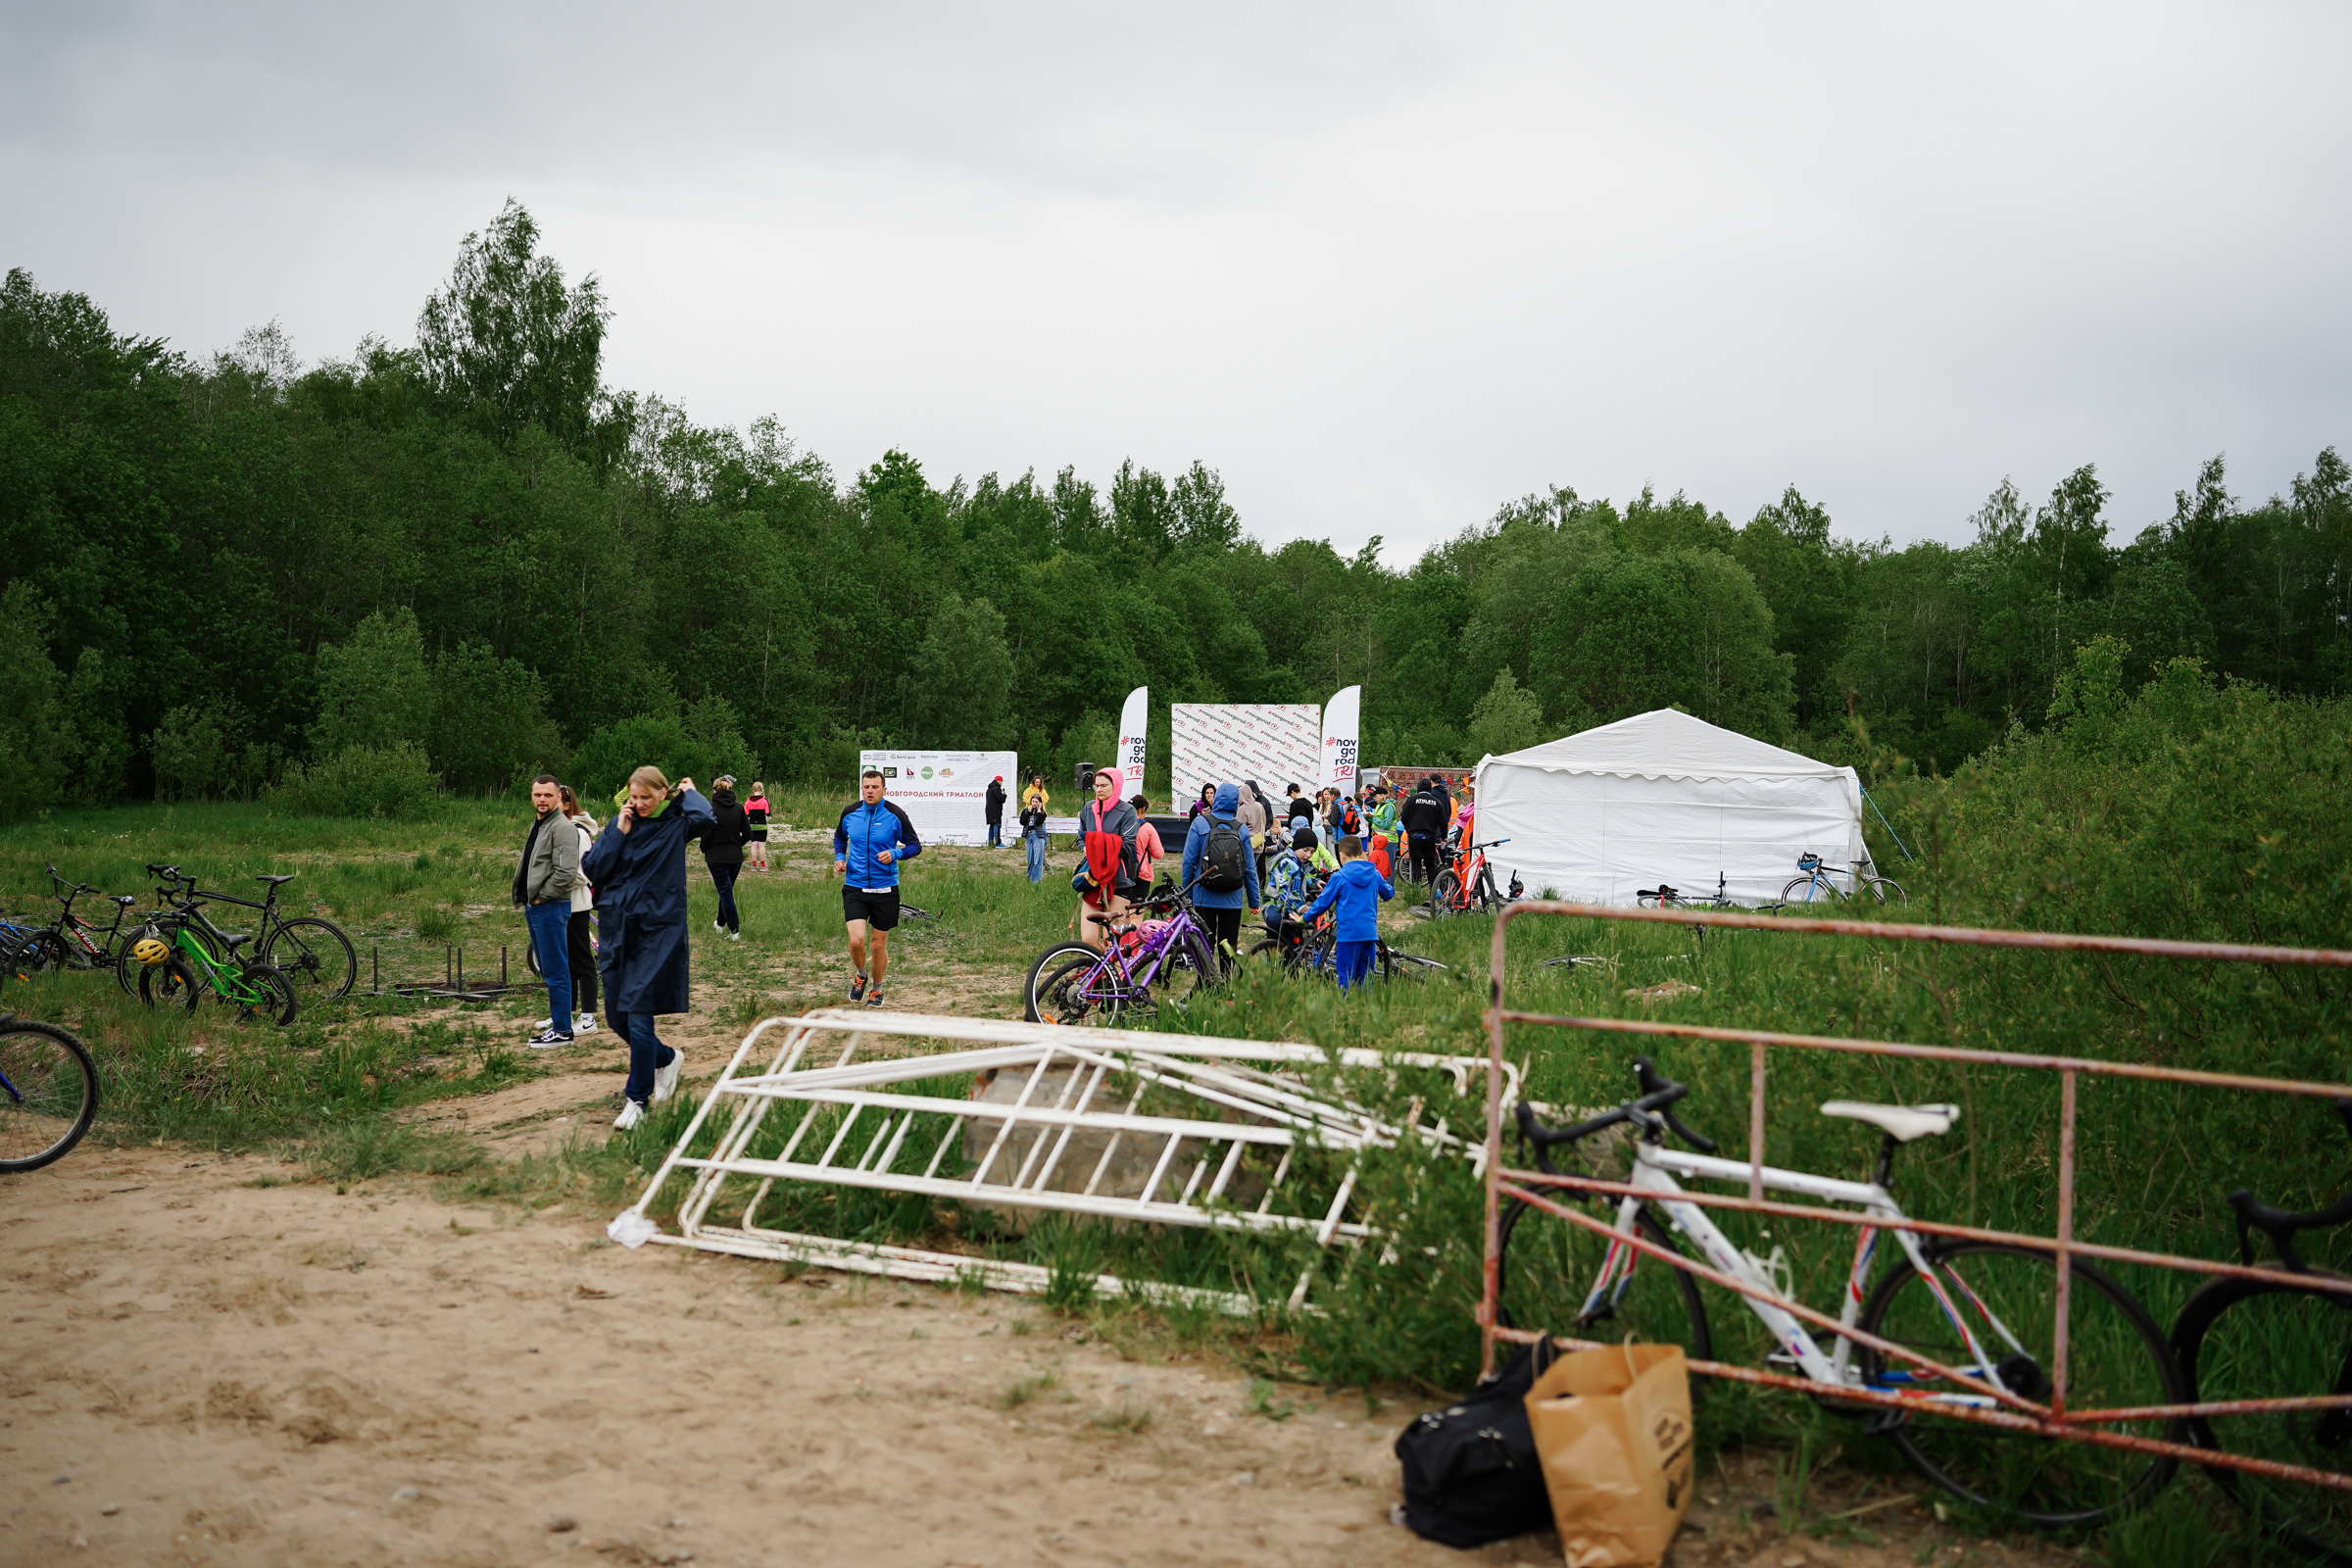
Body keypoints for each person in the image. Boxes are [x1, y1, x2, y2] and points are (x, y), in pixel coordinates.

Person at [583, 767, 713, 1127]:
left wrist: (690, 792)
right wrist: (618, 835)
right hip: (615, 928)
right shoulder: (617, 825)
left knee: (638, 1012)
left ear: (662, 795)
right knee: (616, 1017)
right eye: (634, 797)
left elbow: (706, 818)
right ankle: (667, 1058)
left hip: (657, 931)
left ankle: (637, 1101)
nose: (638, 804)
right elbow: (591, 868)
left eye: (646, 797)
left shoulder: (676, 825)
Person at [834, 767, 923, 1007]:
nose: (870, 791)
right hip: (855, 886)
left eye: (875, 787)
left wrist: (894, 853)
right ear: (862, 788)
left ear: (884, 790)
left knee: (877, 944)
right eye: (866, 787)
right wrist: (839, 857)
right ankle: (861, 974)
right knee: (856, 941)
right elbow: (840, 837)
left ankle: (877, 989)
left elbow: (915, 846)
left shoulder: (896, 814)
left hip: (885, 889)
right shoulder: (850, 813)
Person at [515, 773, 581, 1048]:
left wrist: (542, 897)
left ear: (559, 798)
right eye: (537, 795)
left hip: (550, 906)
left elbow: (566, 874)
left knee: (556, 969)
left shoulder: (562, 827)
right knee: (550, 968)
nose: (541, 799)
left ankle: (563, 1031)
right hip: (536, 906)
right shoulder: (541, 824)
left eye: (547, 795)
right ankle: (560, 1023)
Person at [535, 784, 601, 1037]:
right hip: (559, 905)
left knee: (583, 961)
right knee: (565, 963)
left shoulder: (577, 832)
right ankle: (563, 1015)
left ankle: (588, 1019)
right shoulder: (555, 829)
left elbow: (581, 873)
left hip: (575, 906)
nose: (548, 804)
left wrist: (551, 886)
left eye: (555, 801)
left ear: (566, 804)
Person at [1180, 781, 1260, 968]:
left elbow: (1188, 862)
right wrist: (1254, 901)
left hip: (1203, 895)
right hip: (1233, 898)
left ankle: (1206, 986)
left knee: (1204, 946)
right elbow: (1249, 868)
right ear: (1235, 803)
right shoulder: (1241, 829)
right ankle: (1226, 988)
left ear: (1216, 799)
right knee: (1229, 945)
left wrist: (1187, 892)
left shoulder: (1200, 823)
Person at [1301, 834, 1395, 993]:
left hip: (1348, 936)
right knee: (1366, 978)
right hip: (1370, 935)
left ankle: (1345, 1010)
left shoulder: (1339, 877)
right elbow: (1389, 894)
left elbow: (1323, 903)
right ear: (1362, 853)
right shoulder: (1374, 874)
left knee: (1345, 977)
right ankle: (1365, 1011)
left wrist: (1304, 919)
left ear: (1342, 855)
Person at [1072, 769, 1141, 950]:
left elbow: (1127, 845)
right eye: (1097, 786)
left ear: (1115, 785)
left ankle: (1116, 977)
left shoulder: (1127, 811)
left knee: (1113, 941)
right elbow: (1082, 837)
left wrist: (1095, 843)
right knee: (1088, 940)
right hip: (1094, 880)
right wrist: (1087, 847)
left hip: (1119, 881)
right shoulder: (1088, 808)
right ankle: (1104, 973)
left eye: (1104, 785)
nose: (1099, 790)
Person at [1260, 825, 1324, 960]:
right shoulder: (1287, 863)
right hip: (1275, 907)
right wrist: (1302, 907)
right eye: (1306, 850)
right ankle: (1285, 964)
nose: (1309, 855)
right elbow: (1285, 891)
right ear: (1296, 846)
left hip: (1286, 907)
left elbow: (1301, 880)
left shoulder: (1297, 862)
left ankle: (1278, 966)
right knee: (1288, 940)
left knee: (1281, 944)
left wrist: (1314, 881)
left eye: (1312, 852)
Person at [702, 775, 752, 940]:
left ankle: (735, 930)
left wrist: (704, 848)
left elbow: (706, 834)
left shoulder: (710, 808)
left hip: (716, 858)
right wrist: (736, 844)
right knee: (726, 890)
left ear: (716, 790)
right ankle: (720, 924)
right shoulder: (738, 808)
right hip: (735, 858)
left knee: (725, 892)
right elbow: (748, 834)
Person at [1401, 775, 1448, 885]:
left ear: (1418, 788)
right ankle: (1432, 891)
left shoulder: (1411, 800)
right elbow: (1443, 822)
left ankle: (1416, 892)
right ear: (1430, 788)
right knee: (1430, 866)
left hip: (1414, 836)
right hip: (1429, 837)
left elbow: (1403, 818)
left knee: (1416, 864)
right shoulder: (1436, 802)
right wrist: (1443, 837)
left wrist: (1410, 830)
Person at [1129, 793, 1165, 887]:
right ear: (1143, 809)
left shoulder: (1122, 823)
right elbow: (1159, 854)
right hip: (1141, 872)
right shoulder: (1147, 828)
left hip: (1123, 872)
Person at [1019, 778, 1050, 884]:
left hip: (1038, 836)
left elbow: (1039, 822)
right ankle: (1029, 878)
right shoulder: (1026, 811)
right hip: (1029, 835)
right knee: (1031, 859)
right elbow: (1022, 822)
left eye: (1036, 802)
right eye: (1033, 801)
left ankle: (1037, 881)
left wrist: (1039, 810)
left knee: (1038, 859)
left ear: (1040, 802)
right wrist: (1027, 812)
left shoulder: (1042, 812)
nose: (1034, 803)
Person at [1367, 785, 1400, 881]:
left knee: (1388, 866)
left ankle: (1389, 889)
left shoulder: (1389, 807)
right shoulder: (1379, 805)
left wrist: (1374, 818)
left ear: (1382, 796)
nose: (1374, 798)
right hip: (1379, 840)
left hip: (1388, 840)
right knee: (1379, 866)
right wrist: (1368, 817)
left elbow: (1386, 824)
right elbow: (1377, 821)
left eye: (1376, 796)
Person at [744, 781, 770, 871]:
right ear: (762, 789)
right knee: (761, 846)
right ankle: (763, 866)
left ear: (753, 789)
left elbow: (746, 814)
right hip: (762, 825)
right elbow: (768, 813)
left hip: (752, 825)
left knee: (754, 845)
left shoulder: (748, 801)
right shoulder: (764, 800)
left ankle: (754, 866)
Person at [984, 775, 1006, 848]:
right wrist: (1005, 795)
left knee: (991, 826)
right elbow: (1001, 799)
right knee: (997, 825)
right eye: (1001, 782)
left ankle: (990, 842)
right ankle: (998, 842)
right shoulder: (997, 789)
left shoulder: (989, 789)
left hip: (989, 810)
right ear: (999, 781)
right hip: (995, 810)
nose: (1001, 783)